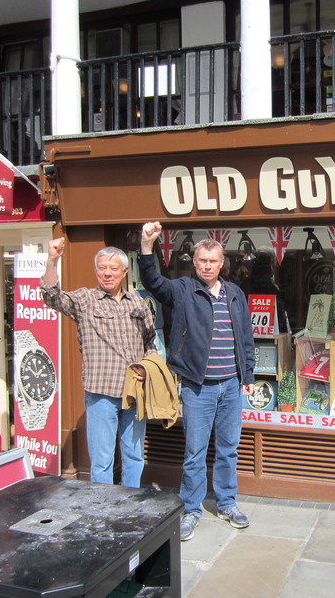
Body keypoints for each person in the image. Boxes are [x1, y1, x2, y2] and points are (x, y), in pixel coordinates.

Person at [139, 221, 255, 542]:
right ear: (194, 261)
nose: (207, 265)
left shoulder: (235, 294)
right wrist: (147, 246)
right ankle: (191, 509)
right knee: (195, 452)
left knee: (228, 450)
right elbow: (152, 281)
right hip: (197, 386)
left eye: (213, 261)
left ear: (221, 263)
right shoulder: (182, 289)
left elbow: (246, 337)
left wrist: (248, 375)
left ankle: (227, 502)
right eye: (202, 260)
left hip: (231, 385)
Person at [41, 237, 156, 488]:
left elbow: (150, 342)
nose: (107, 273)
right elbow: (52, 297)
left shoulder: (138, 303)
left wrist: (147, 369)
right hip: (101, 393)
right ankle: (102, 506)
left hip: (134, 392)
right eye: (102, 268)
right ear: (95, 271)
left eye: (113, 268)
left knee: (134, 456)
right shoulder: (85, 300)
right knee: (102, 461)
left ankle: (130, 501)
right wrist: (52, 260)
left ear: (125, 272)